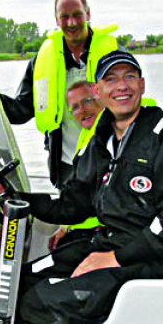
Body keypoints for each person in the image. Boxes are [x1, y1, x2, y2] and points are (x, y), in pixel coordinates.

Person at [8, 50, 163, 324]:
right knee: (19, 283)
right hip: (112, 244)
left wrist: (113, 258)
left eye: (129, 77)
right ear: (97, 91)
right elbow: (73, 204)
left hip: (155, 260)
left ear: (142, 85)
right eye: (111, 79)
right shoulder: (102, 140)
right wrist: (16, 199)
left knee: (38, 308)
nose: (122, 86)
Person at [0, 0, 119, 187]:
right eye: (64, 17)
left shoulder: (114, 56)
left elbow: (133, 107)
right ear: (57, 20)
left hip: (110, 161)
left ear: (88, 14)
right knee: (70, 217)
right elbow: (22, 110)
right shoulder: (41, 62)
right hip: (67, 167)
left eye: (77, 15)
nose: (72, 22)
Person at [47, 81, 104, 250]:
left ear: (99, 98)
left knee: (32, 274)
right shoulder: (87, 136)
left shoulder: (112, 134)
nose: (83, 110)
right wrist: (65, 227)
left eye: (87, 101)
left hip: (103, 232)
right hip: (87, 227)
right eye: (75, 107)